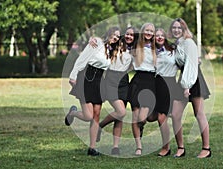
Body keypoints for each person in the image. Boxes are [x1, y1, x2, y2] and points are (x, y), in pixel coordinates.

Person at [64, 26, 121, 156]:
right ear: (109, 33)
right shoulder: (96, 42)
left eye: (118, 37)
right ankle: (73, 113)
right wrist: (73, 76)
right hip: (87, 78)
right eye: (114, 35)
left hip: (100, 81)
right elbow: (82, 58)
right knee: (88, 115)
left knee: (96, 115)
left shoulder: (111, 50)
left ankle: (92, 148)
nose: (115, 38)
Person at [90, 26, 138, 155]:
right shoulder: (116, 45)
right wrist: (92, 39)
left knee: (120, 116)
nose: (129, 37)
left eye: (132, 35)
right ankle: (100, 126)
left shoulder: (134, 50)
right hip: (111, 79)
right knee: (121, 112)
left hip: (123, 81)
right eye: (127, 34)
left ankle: (115, 146)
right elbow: (104, 40)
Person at [168, 18, 211, 158]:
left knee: (199, 114)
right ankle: (180, 148)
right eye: (174, 27)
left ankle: (206, 149)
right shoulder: (177, 44)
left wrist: (187, 86)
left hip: (194, 79)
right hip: (183, 79)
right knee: (175, 115)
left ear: (184, 29)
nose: (176, 30)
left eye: (179, 28)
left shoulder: (189, 43)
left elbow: (191, 65)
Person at [128, 23, 157, 156]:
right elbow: (115, 39)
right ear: (142, 31)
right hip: (137, 81)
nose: (149, 33)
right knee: (135, 116)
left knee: (142, 118)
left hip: (150, 82)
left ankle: (142, 126)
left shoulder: (157, 47)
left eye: (151, 31)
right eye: (147, 30)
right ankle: (138, 146)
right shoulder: (135, 44)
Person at [153, 28, 178, 157]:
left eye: (162, 35)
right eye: (157, 36)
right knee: (154, 116)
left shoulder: (173, 50)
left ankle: (167, 147)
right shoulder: (152, 51)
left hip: (169, 83)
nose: (159, 37)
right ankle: (167, 146)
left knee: (165, 116)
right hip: (157, 83)